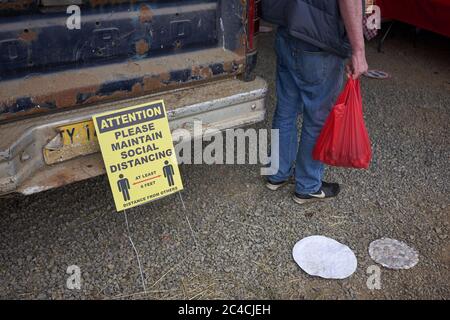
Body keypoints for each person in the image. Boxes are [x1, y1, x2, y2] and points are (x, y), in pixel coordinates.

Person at [263, 0, 369, 204]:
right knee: (317, 118)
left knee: (286, 109)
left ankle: (276, 173)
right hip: (319, 42)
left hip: (287, 31)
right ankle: (308, 185)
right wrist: (358, 51)